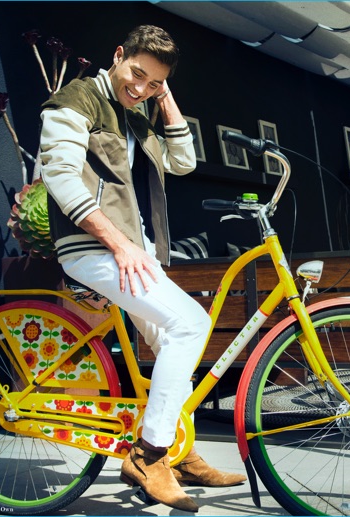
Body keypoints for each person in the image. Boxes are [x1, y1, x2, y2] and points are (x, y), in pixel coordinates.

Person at [39, 25, 245, 512]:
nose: (141, 87)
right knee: (190, 324)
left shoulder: (135, 116)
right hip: (94, 248)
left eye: (154, 82)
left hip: (132, 250)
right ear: (117, 55)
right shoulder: (77, 100)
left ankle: (180, 453)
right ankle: (150, 456)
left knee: (174, 348)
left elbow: (183, 161)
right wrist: (118, 242)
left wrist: (164, 97)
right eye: (136, 73)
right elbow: (59, 175)